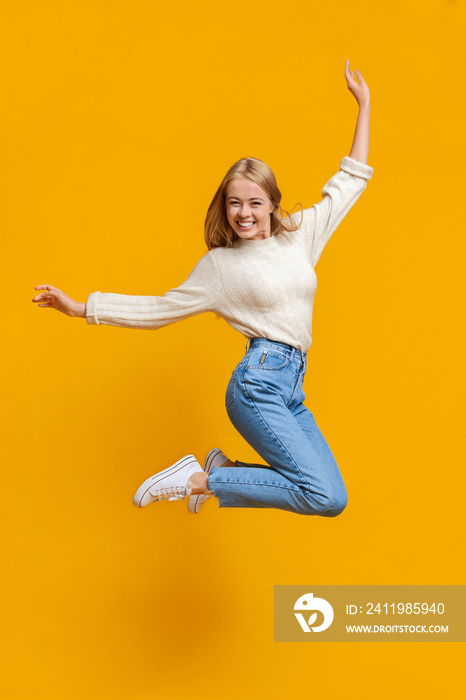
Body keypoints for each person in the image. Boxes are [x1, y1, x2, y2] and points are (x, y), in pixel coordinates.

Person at [32, 59, 373, 517]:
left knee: (333, 497)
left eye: (255, 202)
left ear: (273, 204)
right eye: (234, 203)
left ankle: (216, 469)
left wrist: (364, 105)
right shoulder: (221, 266)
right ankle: (198, 479)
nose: (244, 213)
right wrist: (80, 308)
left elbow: (348, 183)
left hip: (293, 385)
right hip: (258, 384)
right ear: (224, 206)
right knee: (319, 494)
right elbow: (158, 309)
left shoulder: (300, 236)